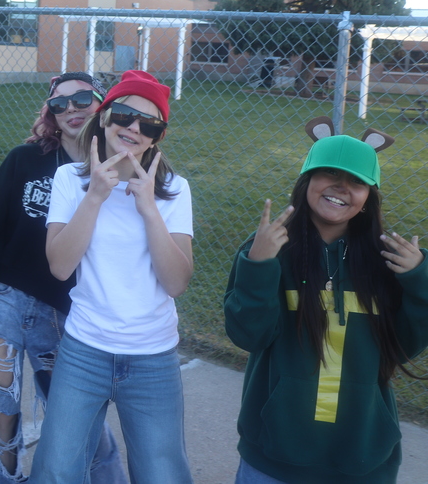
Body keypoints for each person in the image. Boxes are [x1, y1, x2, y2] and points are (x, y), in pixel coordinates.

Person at [0, 72, 127, 484]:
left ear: (102, 104)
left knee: (81, 425)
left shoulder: (122, 171)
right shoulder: (23, 161)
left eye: (82, 99)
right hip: (3, 303)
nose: (72, 109)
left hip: (68, 314)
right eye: (60, 104)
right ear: (51, 115)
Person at [224, 117, 428, 484]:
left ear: (368, 198)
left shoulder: (386, 262)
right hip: (275, 452)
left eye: (357, 181)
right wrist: (259, 266)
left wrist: (419, 281)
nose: (341, 187)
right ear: (306, 181)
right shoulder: (268, 249)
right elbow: (248, 335)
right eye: (329, 173)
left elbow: (403, 347)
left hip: (360, 454)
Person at [31, 70, 194, 484]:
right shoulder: (71, 179)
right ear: (104, 117)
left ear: (157, 137)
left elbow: (176, 283)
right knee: (56, 471)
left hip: (153, 356)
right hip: (84, 350)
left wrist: (149, 209)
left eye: (149, 124)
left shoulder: (174, 190)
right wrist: (96, 196)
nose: (134, 128)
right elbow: (60, 266)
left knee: (162, 475)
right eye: (124, 115)